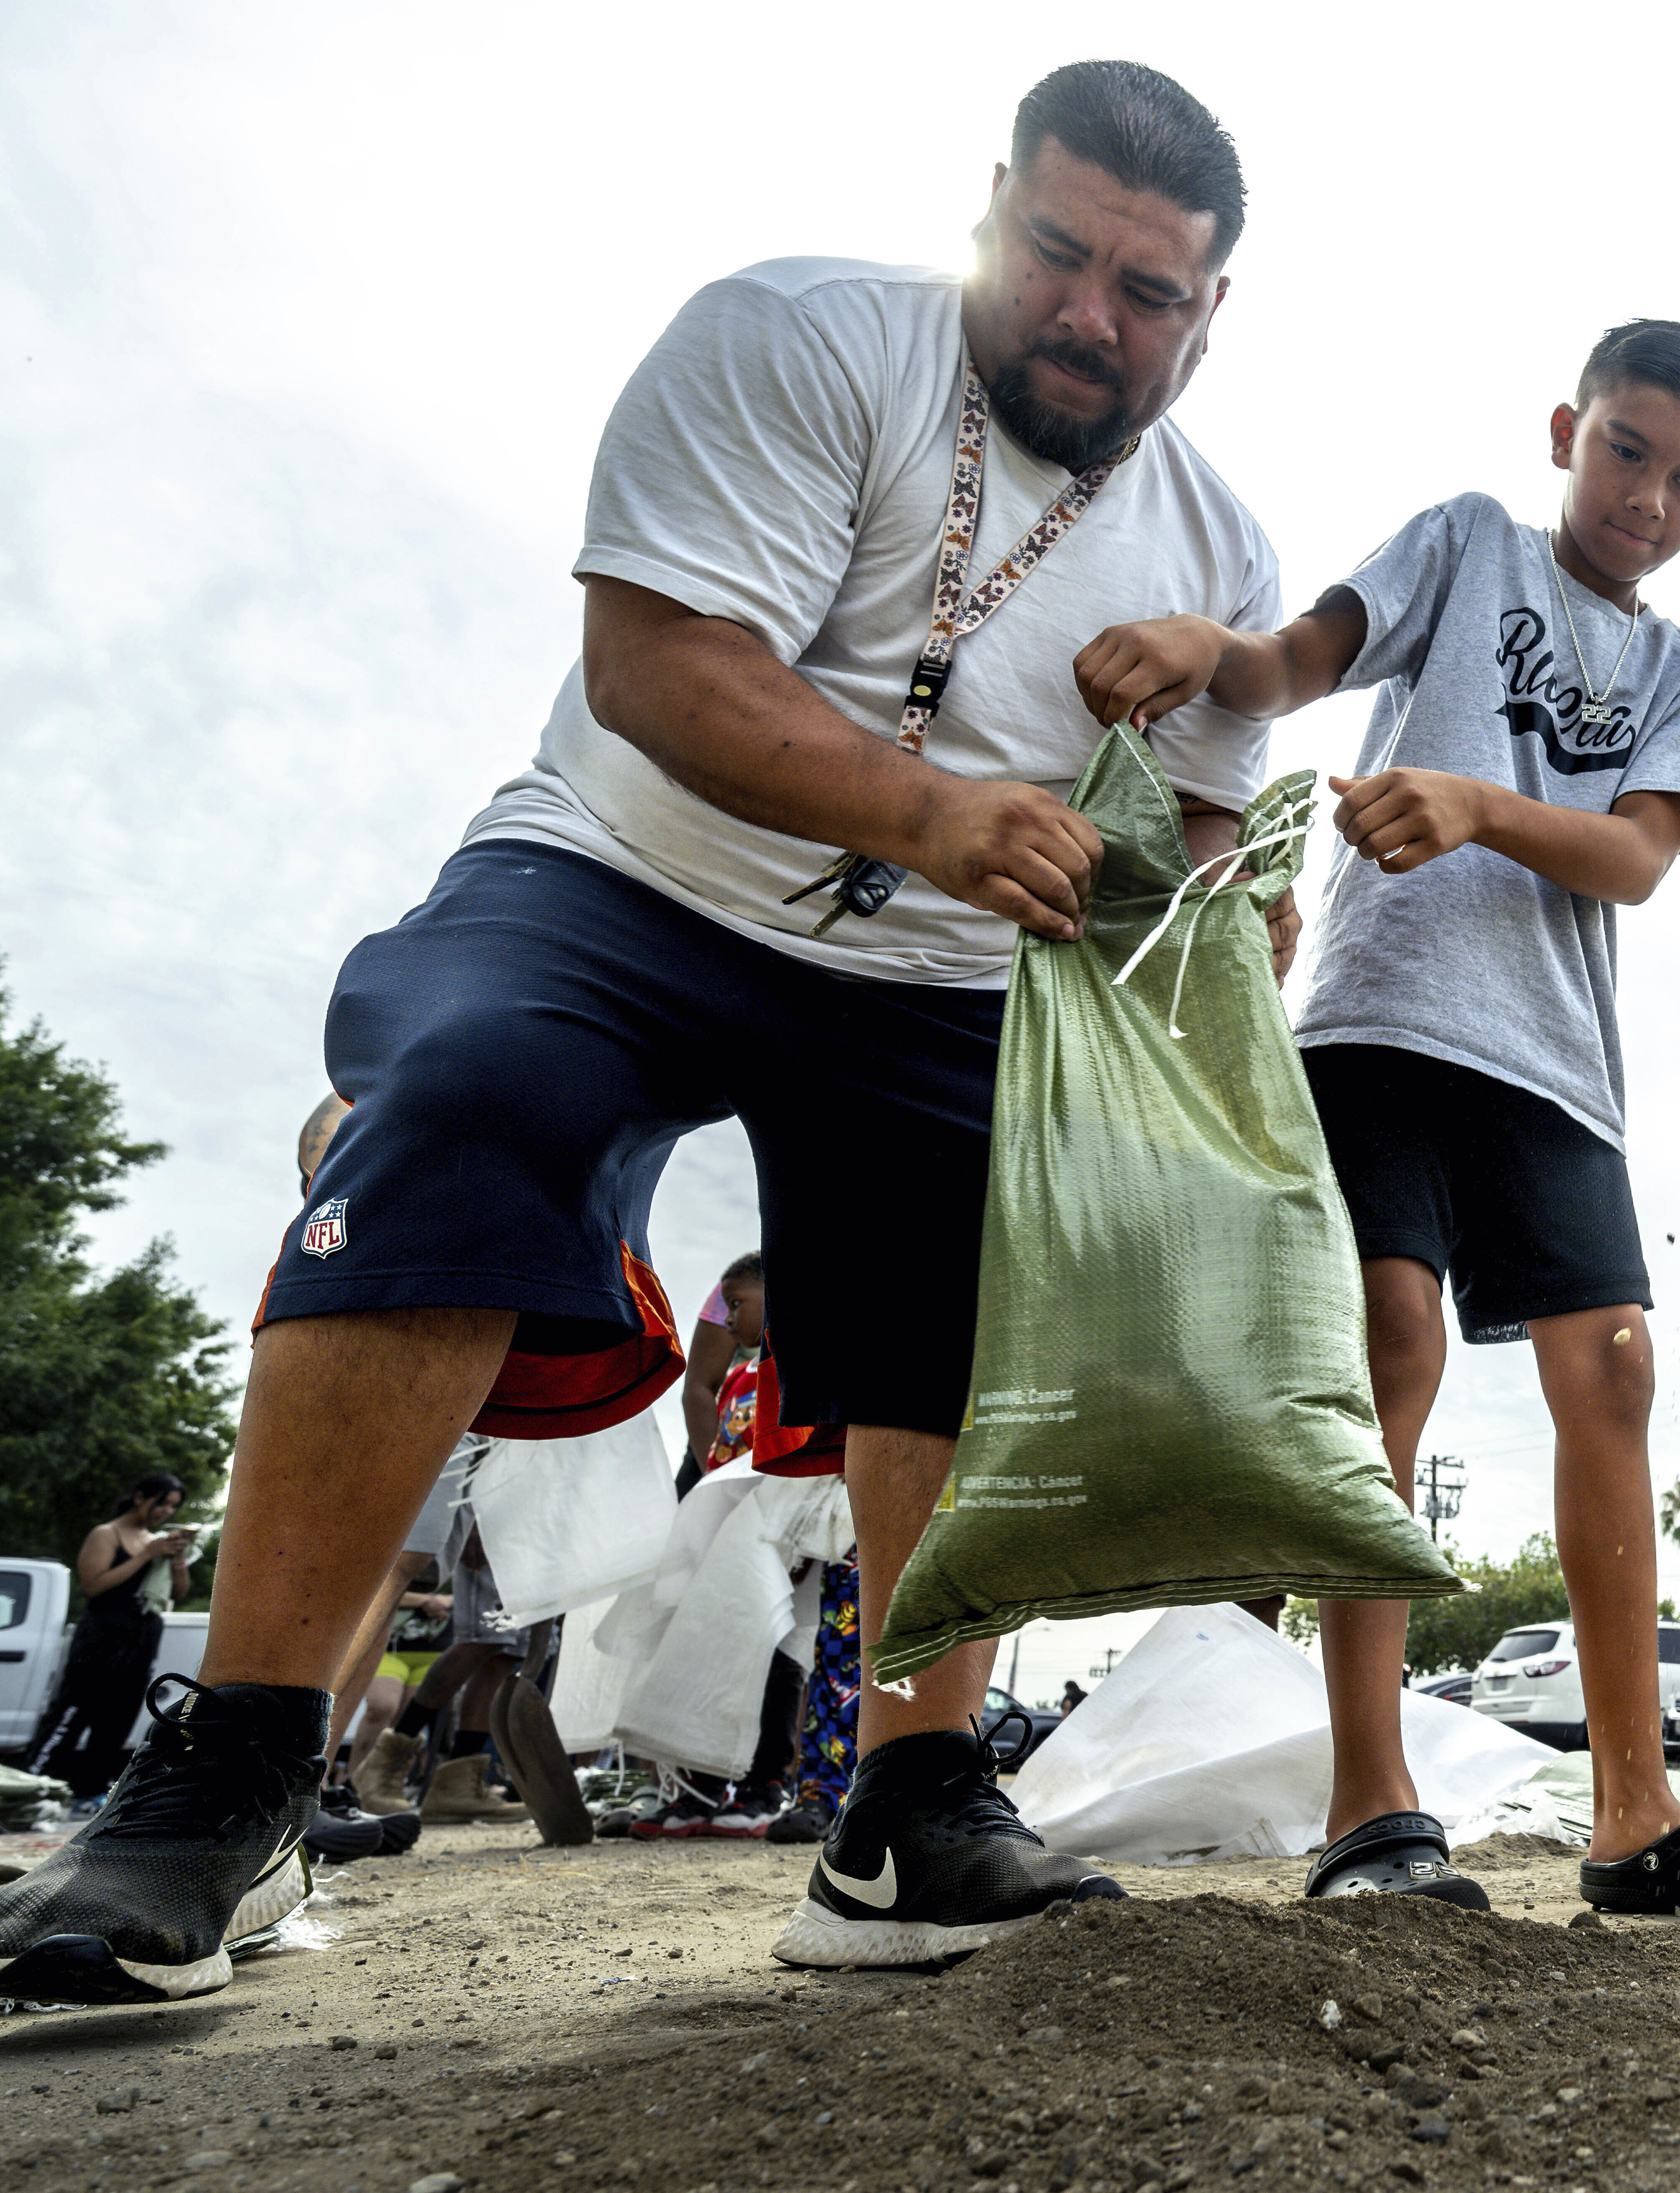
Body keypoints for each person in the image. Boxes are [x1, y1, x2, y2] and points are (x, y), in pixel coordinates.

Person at [0, 59, 1293, 2008]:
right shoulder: (790, 339)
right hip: (629, 868)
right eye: (1056, 254)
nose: (1092, 316)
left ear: (1215, 314)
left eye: (1150, 292)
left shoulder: (1221, 555)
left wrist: (1219, 920)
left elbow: (1187, 848)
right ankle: (237, 1770)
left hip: (932, 970)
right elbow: (663, 669)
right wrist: (939, 808)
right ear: (990, 211)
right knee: (469, 1093)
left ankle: (919, 1785)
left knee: (994, 1229)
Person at [1072, 321, 1680, 1918]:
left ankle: (1635, 1815)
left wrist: (1480, 803)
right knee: (1389, 1340)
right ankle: (1372, 1803)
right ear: (1566, 428)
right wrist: (1203, 648)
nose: (1648, 495)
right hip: (1377, 1015)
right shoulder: (1465, 545)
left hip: (1553, 1057)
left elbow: (1632, 857)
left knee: (1611, 1371)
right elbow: (1292, 665)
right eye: (1625, 449)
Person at [21, 1474, 197, 1797]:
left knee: (120, 1714)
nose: (166, 1511)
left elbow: (179, 1593)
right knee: (75, 1708)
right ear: (141, 1497)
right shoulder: (107, 1534)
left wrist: (176, 1559)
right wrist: (146, 1554)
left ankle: (88, 1790)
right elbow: (94, 1585)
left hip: (143, 1633)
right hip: (103, 1630)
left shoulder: (154, 1540)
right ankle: (35, 1781)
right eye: (162, 1502)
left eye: (174, 1506)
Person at [678, 1253, 768, 1492]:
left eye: (735, 1306)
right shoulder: (743, 1280)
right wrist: (714, 1481)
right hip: (724, 1440)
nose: (728, 1319)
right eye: (729, 1306)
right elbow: (699, 1388)